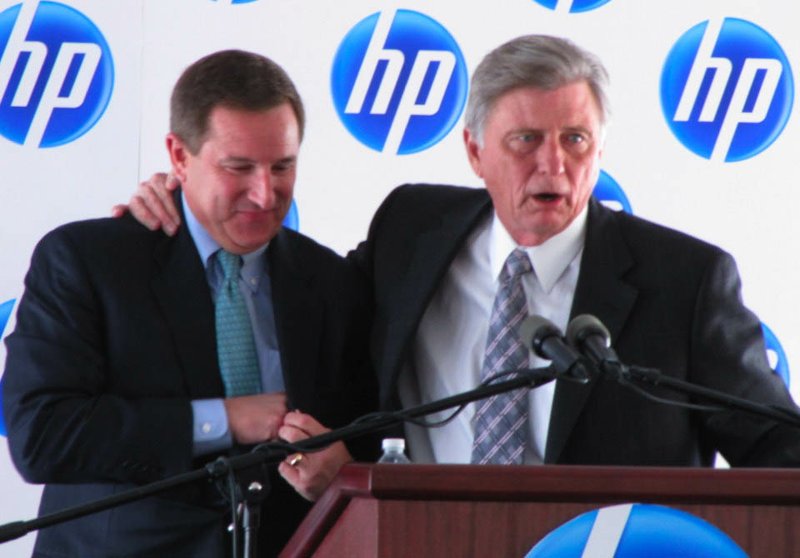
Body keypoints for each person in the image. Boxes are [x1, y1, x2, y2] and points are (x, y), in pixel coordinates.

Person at [123, 35, 800, 468]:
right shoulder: (412, 232)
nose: (553, 167)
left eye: (575, 140)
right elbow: (313, 307)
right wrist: (183, 199)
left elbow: (777, 446)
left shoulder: (684, 280)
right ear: (474, 150)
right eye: (525, 140)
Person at [2, 50, 378, 557]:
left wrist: (342, 475)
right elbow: (42, 436)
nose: (265, 194)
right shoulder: (88, 261)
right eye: (238, 167)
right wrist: (224, 419)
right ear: (179, 156)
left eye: (282, 166)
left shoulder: (332, 281)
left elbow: (371, 431)